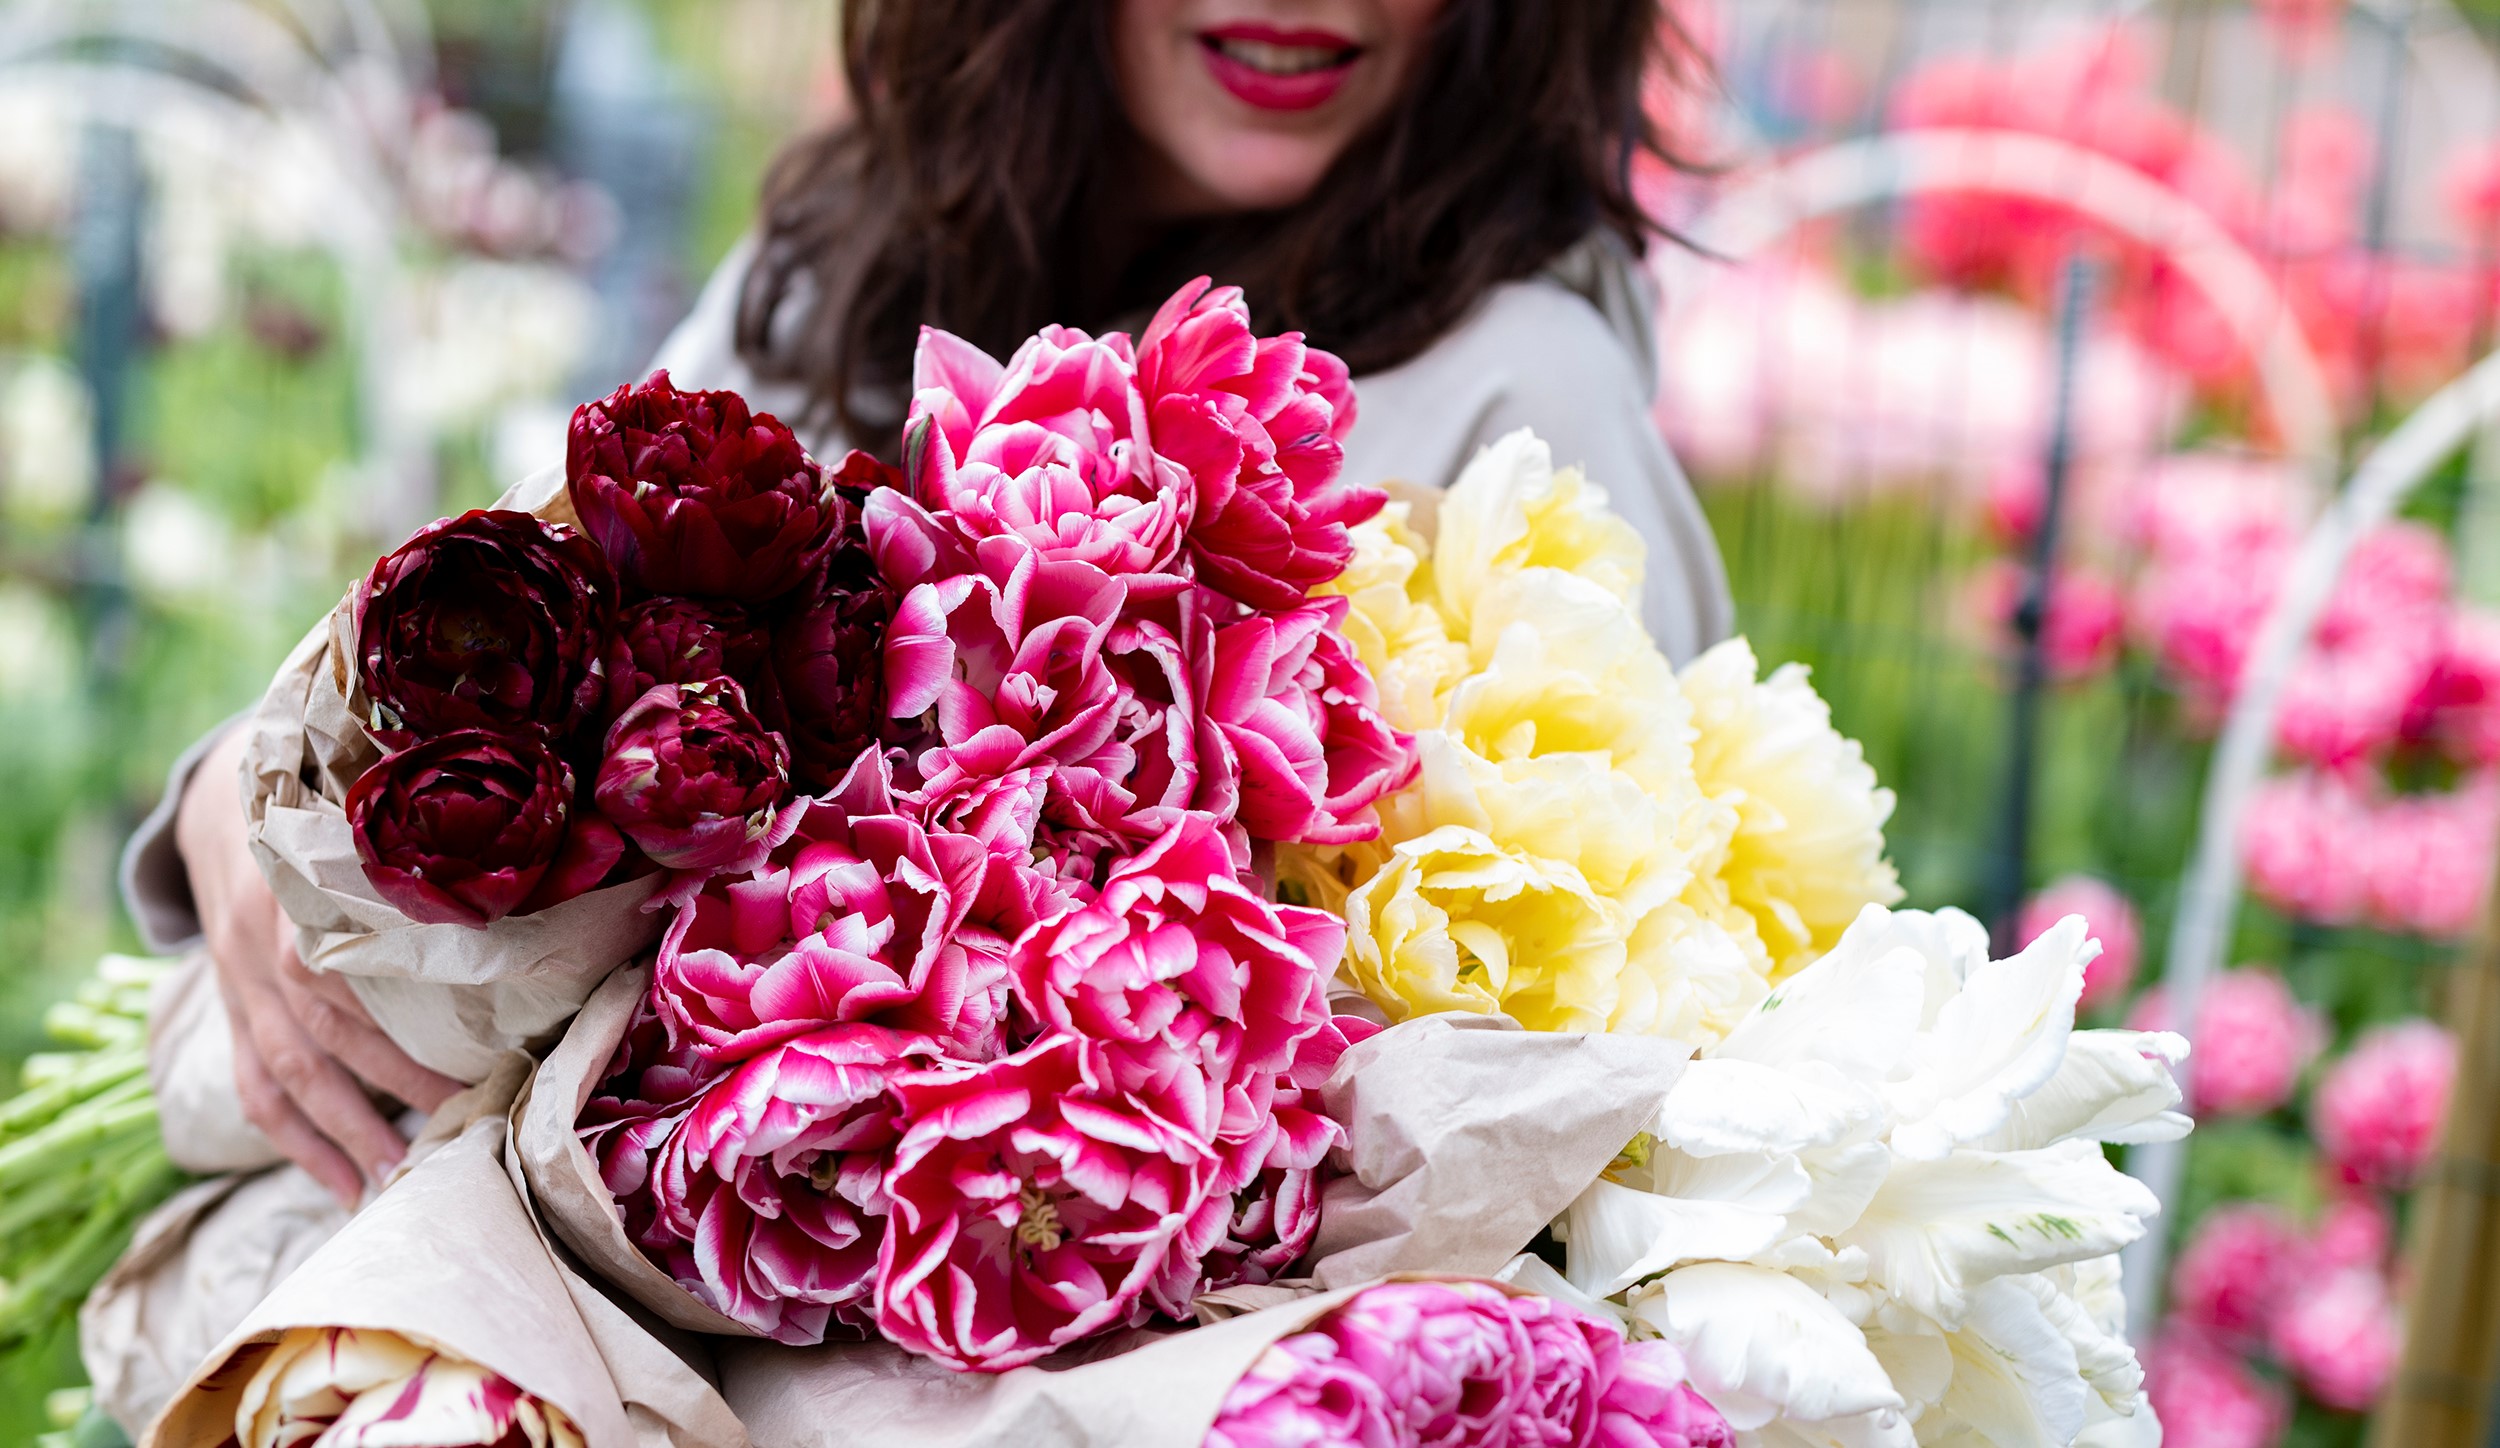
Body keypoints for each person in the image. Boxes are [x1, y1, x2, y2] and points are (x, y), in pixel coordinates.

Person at [125, 0, 1734, 1205]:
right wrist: (228, 789)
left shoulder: (1533, 398)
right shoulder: (844, 257)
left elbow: (1637, 1047)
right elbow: (544, 604)